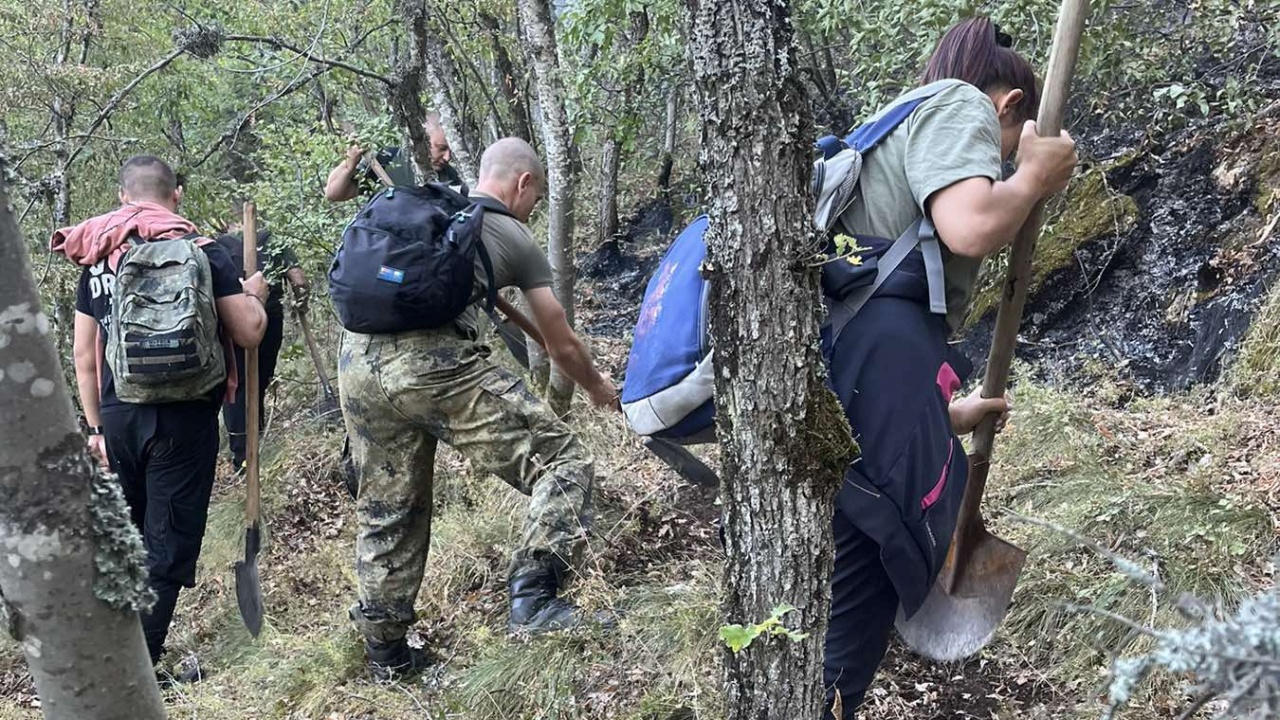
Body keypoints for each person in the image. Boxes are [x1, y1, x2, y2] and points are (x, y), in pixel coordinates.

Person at [820, 18, 1077, 716]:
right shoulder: (962, 102)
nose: (992, 165)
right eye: (1006, 149)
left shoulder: (892, 122)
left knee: (851, 549)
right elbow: (970, 225)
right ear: (1012, 109)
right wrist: (1032, 177)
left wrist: (941, 417)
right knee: (878, 554)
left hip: (855, 360)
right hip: (878, 350)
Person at [338, 137, 620, 680]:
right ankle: (534, 600)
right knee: (563, 463)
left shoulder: (441, 212)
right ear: (524, 183)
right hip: (430, 366)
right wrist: (596, 387)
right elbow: (560, 344)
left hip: (357, 359)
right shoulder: (511, 234)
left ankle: (387, 654)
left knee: (389, 507)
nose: (532, 209)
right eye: (534, 199)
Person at [52, 155, 268, 675]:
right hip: (184, 420)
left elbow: (85, 354)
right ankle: (139, 673)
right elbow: (250, 332)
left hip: (118, 416)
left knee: (128, 537)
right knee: (166, 544)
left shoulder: (99, 256)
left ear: (123, 197)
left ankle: (112, 653)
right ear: (175, 197)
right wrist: (252, 295)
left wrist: (96, 429)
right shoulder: (200, 249)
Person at [215, 201, 309, 473]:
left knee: (236, 386)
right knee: (259, 380)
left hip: (233, 320)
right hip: (269, 319)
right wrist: (300, 303)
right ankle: (253, 444)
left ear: (228, 221)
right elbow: (299, 280)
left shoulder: (218, 246)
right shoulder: (272, 242)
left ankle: (242, 456)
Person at [323, 112, 462, 202]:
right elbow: (333, 193)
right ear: (421, 139)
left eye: (451, 150)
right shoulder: (387, 159)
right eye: (441, 148)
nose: (447, 157)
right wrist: (350, 163)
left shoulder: (450, 176)